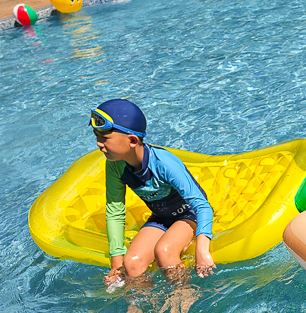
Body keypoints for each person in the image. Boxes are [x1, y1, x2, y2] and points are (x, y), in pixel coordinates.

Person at [92, 98, 216, 288]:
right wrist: (116, 262)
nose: (99, 144)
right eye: (97, 137)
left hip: (189, 215)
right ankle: (142, 312)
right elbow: (115, 211)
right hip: (161, 218)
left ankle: (184, 297)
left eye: (105, 138)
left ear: (132, 140)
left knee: (164, 251)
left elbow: (201, 205)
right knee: (131, 263)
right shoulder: (115, 166)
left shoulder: (164, 163)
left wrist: (202, 249)